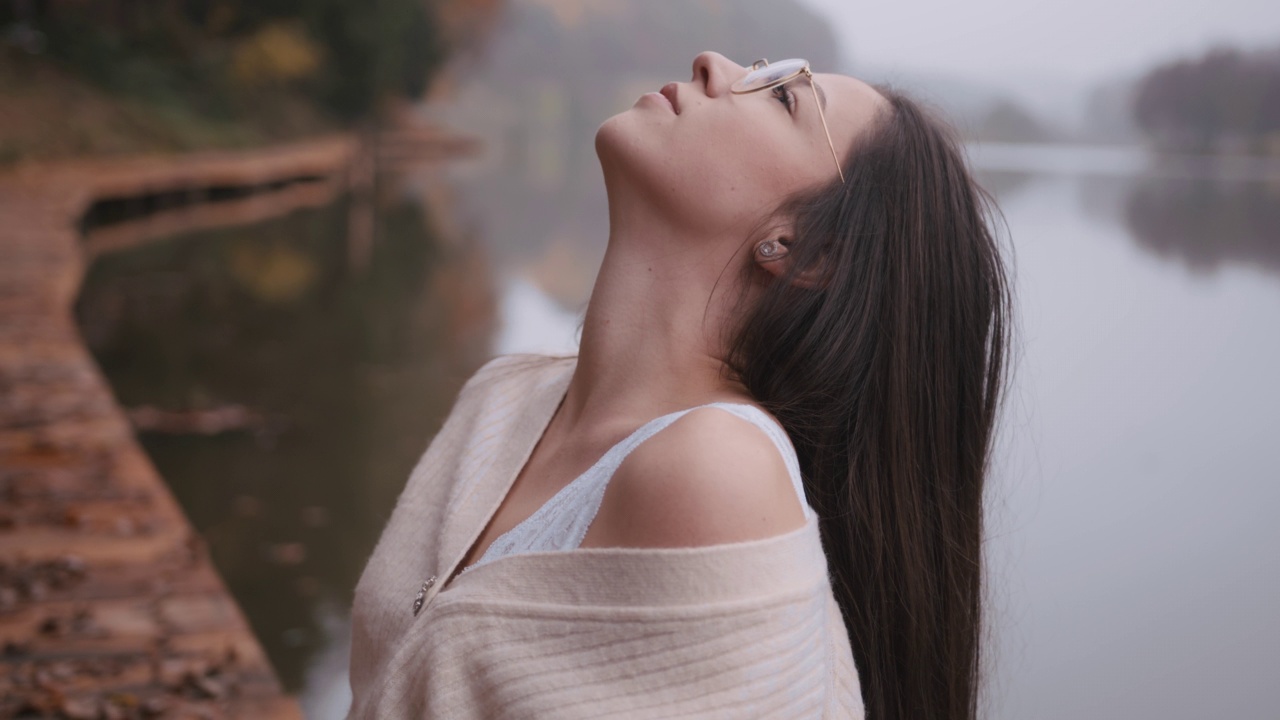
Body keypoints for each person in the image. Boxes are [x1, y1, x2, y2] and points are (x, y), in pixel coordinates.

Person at [346, 51, 1011, 720]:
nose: (712, 64)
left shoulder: (717, 473)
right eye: (758, 69)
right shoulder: (502, 400)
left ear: (808, 248)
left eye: (782, 98)